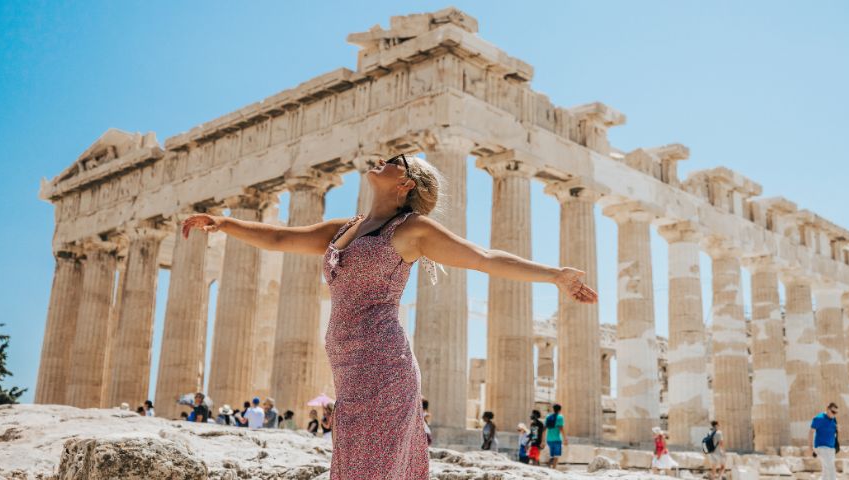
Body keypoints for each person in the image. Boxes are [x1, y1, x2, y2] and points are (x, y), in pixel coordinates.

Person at [182, 152, 597, 479]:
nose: (382, 159)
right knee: (352, 464)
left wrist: (554, 275)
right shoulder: (347, 226)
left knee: (373, 469)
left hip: (383, 362)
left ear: (405, 183)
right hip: (348, 365)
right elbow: (277, 237)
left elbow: (484, 258)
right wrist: (223, 223)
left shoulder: (412, 230)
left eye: (394, 161)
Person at [808, 403, 840, 480]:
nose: (834, 414)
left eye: (836, 413)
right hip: (821, 447)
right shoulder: (819, 418)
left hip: (831, 448)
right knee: (831, 469)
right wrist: (810, 447)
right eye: (833, 412)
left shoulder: (834, 420)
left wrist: (838, 430)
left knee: (826, 471)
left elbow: (835, 434)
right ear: (827, 409)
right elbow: (811, 432)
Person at [545, 404, 567, 469]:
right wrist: (565, 438)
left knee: (551, 455)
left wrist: (543, 440)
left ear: (553, 409)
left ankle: (549, 467)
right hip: (557, 439)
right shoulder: (560, 417)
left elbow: (545, 428)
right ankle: (554, 468)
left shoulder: (548, 417)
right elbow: (561, 428)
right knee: (556, 455)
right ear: (560, 410)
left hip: (549, 439)